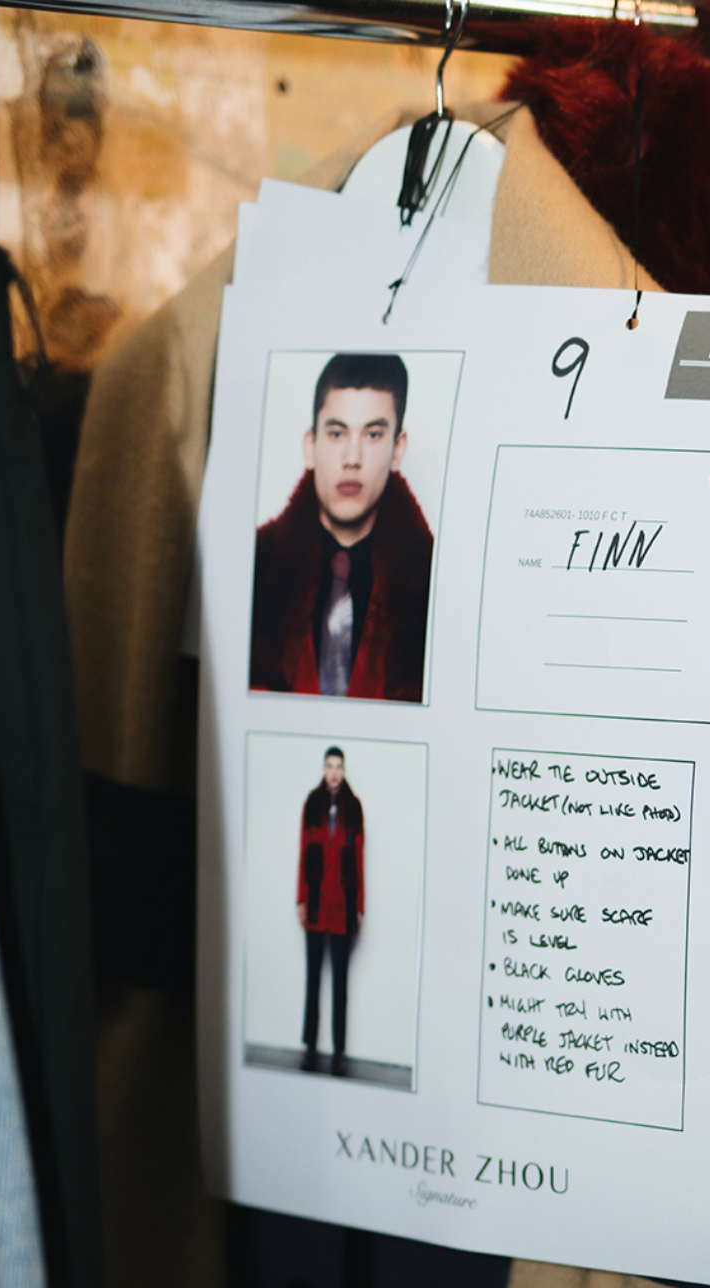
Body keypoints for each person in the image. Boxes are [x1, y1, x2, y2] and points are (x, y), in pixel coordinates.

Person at [251, 352, 434, 702]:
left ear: (398, 450)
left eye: (373, 434)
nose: (352, 458)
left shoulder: (434, 581)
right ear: (310, 446)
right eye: (336, 433)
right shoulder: (256, 566)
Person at [298, 748, 363, 1074]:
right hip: (315, 900)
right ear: (323, 769)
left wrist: (359, 906)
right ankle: (310, 1048)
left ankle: (339, 1052)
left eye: (339, 767)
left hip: (343, 905)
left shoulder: (354, 807)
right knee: (313, 979)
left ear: (344, 770)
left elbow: (360, 859)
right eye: (329, 766)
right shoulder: (312, 804)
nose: (334, 772)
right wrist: (301, 899)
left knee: (340, 983)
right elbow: (302, 854)